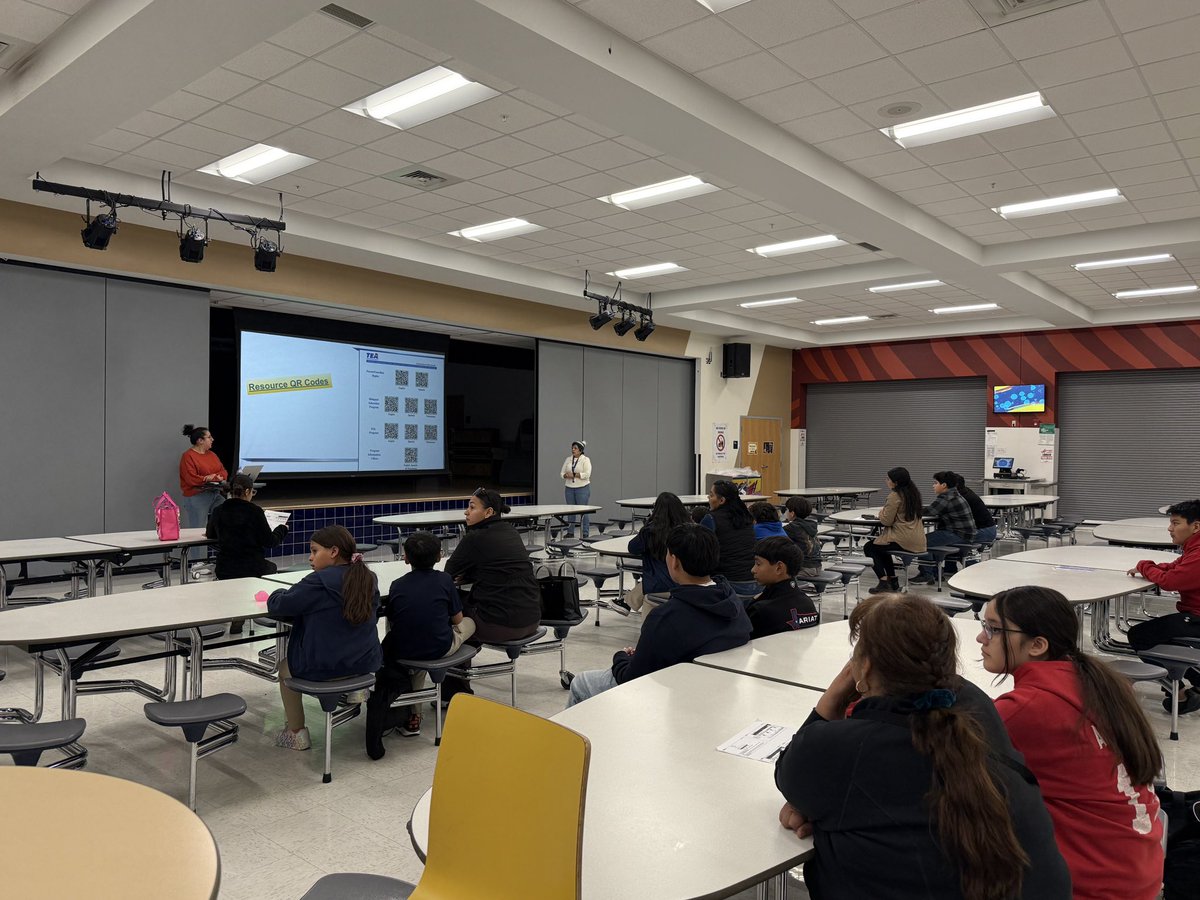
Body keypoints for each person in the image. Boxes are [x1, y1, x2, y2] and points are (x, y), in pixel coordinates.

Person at [774, 592, 1071, 900]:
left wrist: (829, 704)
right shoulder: (977, 706)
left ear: (863, 668)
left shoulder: (838, 747)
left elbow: (791, 773)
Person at [979, 586, 1164, 900]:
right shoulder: (1096, 681)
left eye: (993, 629)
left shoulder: (1024, 709)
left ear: (1037, 645)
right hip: (1138, 868)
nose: (981, 639)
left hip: (1093, 885)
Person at [567, 524, 751, 706]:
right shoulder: (733, 601)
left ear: (674, 561)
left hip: (670, 693)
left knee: (581, 683)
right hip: (714, 690)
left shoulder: (666, 616)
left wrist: (620, 657)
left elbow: (631, 678)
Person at [266, 525, 381, 751]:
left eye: (314, 551)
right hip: (364, 662)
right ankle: (356, 691)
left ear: (334, 552)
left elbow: (279, 605)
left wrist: (277, 592)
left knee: (284, 668)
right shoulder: (368, 577)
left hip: (325, 667)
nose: (310, 558)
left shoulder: (318, 581)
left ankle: (296, 732)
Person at [365, 531, 477, 760]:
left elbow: (396, 618)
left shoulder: (397, 585)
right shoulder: (445, 580)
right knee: (469, 623)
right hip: (440, 646)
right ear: (439, 557)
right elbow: (457, 620)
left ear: (405, 557)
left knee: (416, 660)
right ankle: (457, 678)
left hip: (404, 650)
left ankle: (413, 718)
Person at [1127, 499, 1200, 714]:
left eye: (1176, 523)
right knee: (1159, 634)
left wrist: (1143, 565)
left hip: (1196, 617)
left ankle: (1180, 692)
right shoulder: (1193, 549)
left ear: (1195, 526)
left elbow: (1169, 581)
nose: (1170, 528)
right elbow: (1175, 567)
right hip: (1193, 614)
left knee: (1139, 635)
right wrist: (1154, 567)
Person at [444, 488, 541, 644]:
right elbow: (500, 567)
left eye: (472, 507)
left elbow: (447, 574)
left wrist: (467, 573)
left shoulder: (475, 537)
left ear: (489, 512)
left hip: (499, 626)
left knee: (443, 600)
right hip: (532, 619)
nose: (466, 512)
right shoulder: (511, 531)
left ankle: (456, 661)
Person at [206, 473, 288, 634]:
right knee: (272, 568)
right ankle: (260, 608)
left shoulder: (219, 510)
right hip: (252, 567)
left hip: (225, 568)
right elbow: (270, 542)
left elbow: (210, 535)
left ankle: (238, 614)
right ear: (248, 491)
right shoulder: (255, 511)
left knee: (238, 577)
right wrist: (282, 529)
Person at [862, 467, 926, 594]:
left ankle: (884, 581)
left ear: (895, 482)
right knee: (882, 549)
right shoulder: (913, 494)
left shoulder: (894, 496)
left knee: (869, 547)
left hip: (902, 538)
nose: (886, 481)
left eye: (888, 479)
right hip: (917, 538)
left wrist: (881, 513)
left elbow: (886, 521)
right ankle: (892, 581)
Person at [624, 491, 689, 613]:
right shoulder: (690, 530)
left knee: (648, 627)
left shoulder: (650, 532)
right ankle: (627, 602)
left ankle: (627, 602)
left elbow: (632, 548)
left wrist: (647, 525)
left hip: (657, 587)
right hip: (687, 585)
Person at [911, 470, 976, 584]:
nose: (933, 486)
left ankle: (927, 575)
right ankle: (935, 572)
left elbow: (929, 511)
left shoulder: (946, 497)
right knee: (931, 539)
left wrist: (908, 509)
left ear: (944, 485)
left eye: (935, 483)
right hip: (965, 533)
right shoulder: (954, 494)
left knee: (922, 541)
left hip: (958, 534)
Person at [746, 537, 818, 638]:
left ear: (779, 568)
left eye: (758, 564)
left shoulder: (761, 610)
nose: (753, 570)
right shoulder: (808, 604)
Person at [700, 480, 758, 596]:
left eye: (711, 495)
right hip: (754, 581)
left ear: (721, 500)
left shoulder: (711, 519)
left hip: (727, 584)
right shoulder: (747, 518)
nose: (708, 498)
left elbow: (699, 551)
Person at [178, 424, 227, 528]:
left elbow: (223, 472)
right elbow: (191, 479)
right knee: (198, 529)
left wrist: (214, 477)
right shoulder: (188, 456)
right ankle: (200, 545)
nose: (212, 439)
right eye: (209, 437)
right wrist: (209, 478)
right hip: (197, 495)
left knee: (225, 516)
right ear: (200, 440)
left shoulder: (212, 455)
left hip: (214, 494)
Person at [782, 496, 823, 579]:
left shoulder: (792, 528)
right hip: (817, 566)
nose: (785, 512)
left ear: (792, 513)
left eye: (786, 510)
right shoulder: (811, 525)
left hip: (804, 568)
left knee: (774, 575)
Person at [560, 439, 592, 537]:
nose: (573, 450)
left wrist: (574, 474)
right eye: (572, 448)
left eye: (575, 448)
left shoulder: (585, 460)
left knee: (583, 511)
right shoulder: (568, 459)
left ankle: (585, 533)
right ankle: (570, 532)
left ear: (580, 450)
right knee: (571, 510)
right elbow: (561, 473)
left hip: (582, 488)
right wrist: (566, 475)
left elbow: (587, 474)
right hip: (569, 488)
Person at [955, 473, 997, 546]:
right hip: (989, 529)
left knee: (937, 539)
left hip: (982, 531)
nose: (934, 486)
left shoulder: (960, 498)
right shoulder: (966, 491)